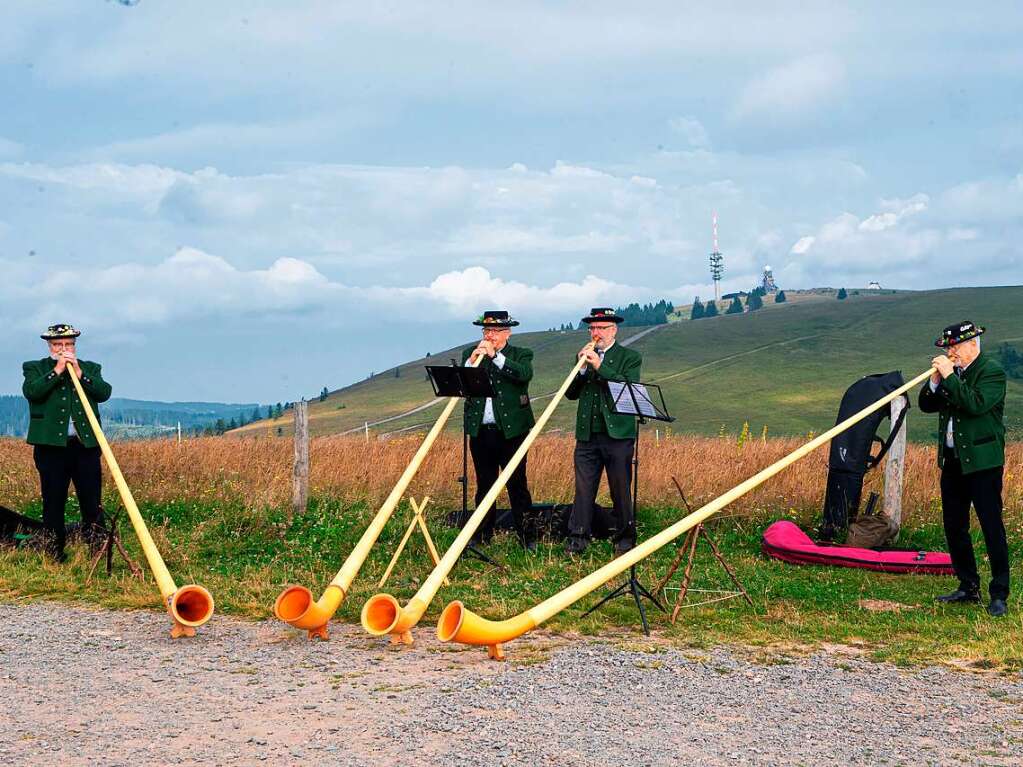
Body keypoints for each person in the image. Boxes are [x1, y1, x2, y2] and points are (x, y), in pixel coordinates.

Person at [919, 320, 1009, 617]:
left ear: (973, 344)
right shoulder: (950, 375)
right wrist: (935, 381)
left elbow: (975, 404)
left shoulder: (992, 372)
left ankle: (999, 593)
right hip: (953, 461)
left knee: (990, 525)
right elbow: (926, 405)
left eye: (954, 346)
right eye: (948, 347)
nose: (950, 352)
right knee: (954, 525)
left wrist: (949, 376)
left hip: (983, 463)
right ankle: (968, 585)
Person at [22, 324, 112, 562]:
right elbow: (33, 392)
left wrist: (80, 373)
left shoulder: (90, 368)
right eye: (58, 345)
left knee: (92, 503)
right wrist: (59, 369)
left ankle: (98, 554)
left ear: (74, 345)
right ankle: (54, 555)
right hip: (51, 448)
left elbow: (104, 392)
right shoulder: (35, 368)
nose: (64, 349)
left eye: (69, 344)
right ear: (50, 346)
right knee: (53, 502)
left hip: (85, 447)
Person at [564, 307, 642, 556]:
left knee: (620, 486)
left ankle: (625, 538)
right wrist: (583, 369)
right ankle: (578, 539)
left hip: (618, 434)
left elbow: (627, 387)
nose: (596, 333)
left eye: (601, 328)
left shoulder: (629, 356)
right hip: (587, 434)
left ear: (613, 330)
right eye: (592, 328)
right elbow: (571, 393)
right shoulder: (582, 357)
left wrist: (599, 366)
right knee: (584, 488)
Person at [461, 311, 537, 550]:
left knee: (517, 484)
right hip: (482, 431)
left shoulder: (521, 354)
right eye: (486, 331)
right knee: (484, 484)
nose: (489, 335)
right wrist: (472, 362)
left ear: (507, 332)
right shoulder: (470, 354)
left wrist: (495, 357)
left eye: (494, 331)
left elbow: (523, 375)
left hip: (512, 432)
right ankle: (482, 535)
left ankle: (527, 537)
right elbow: (463, 385)